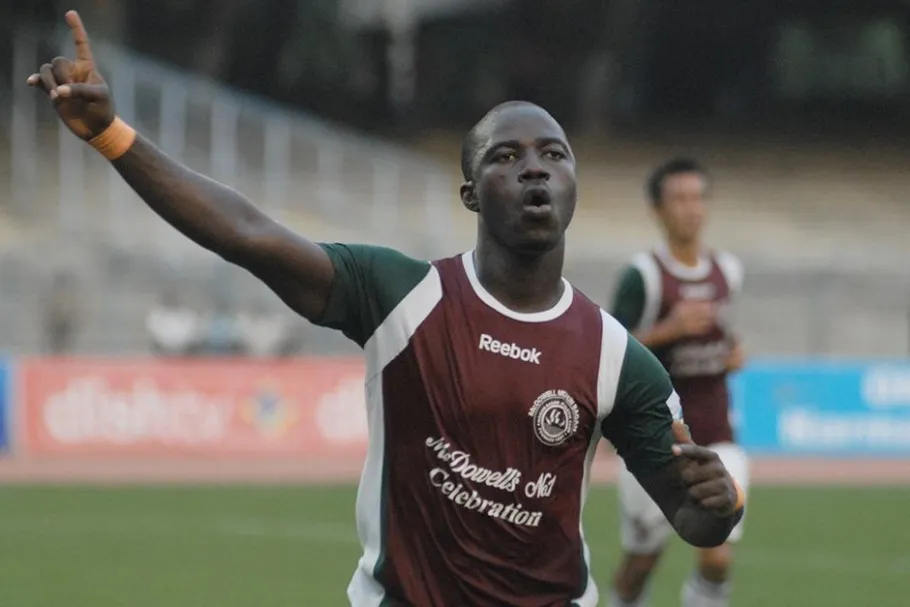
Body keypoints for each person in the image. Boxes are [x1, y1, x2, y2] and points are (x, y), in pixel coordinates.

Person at [29, 13, 745, 606]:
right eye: (507, 156)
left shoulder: (617, 356)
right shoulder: (402, 295)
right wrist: (112, 135)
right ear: (469, 193)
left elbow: (691, 514)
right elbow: (249, 235)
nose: (534, 167)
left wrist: (720, 502)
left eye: (554, 154)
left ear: (573, 185)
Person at [608, 158, 748, 607]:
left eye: (699, 197)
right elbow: (610, 349)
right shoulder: (644, 276)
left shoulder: (728, 270)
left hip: (719, 435)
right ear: (657, 209)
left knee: (717, 555)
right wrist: (668, 330)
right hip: (656, 441)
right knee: (641, 561)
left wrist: (731, 356)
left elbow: (718, 337)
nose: (692, 208)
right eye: (680, 198)